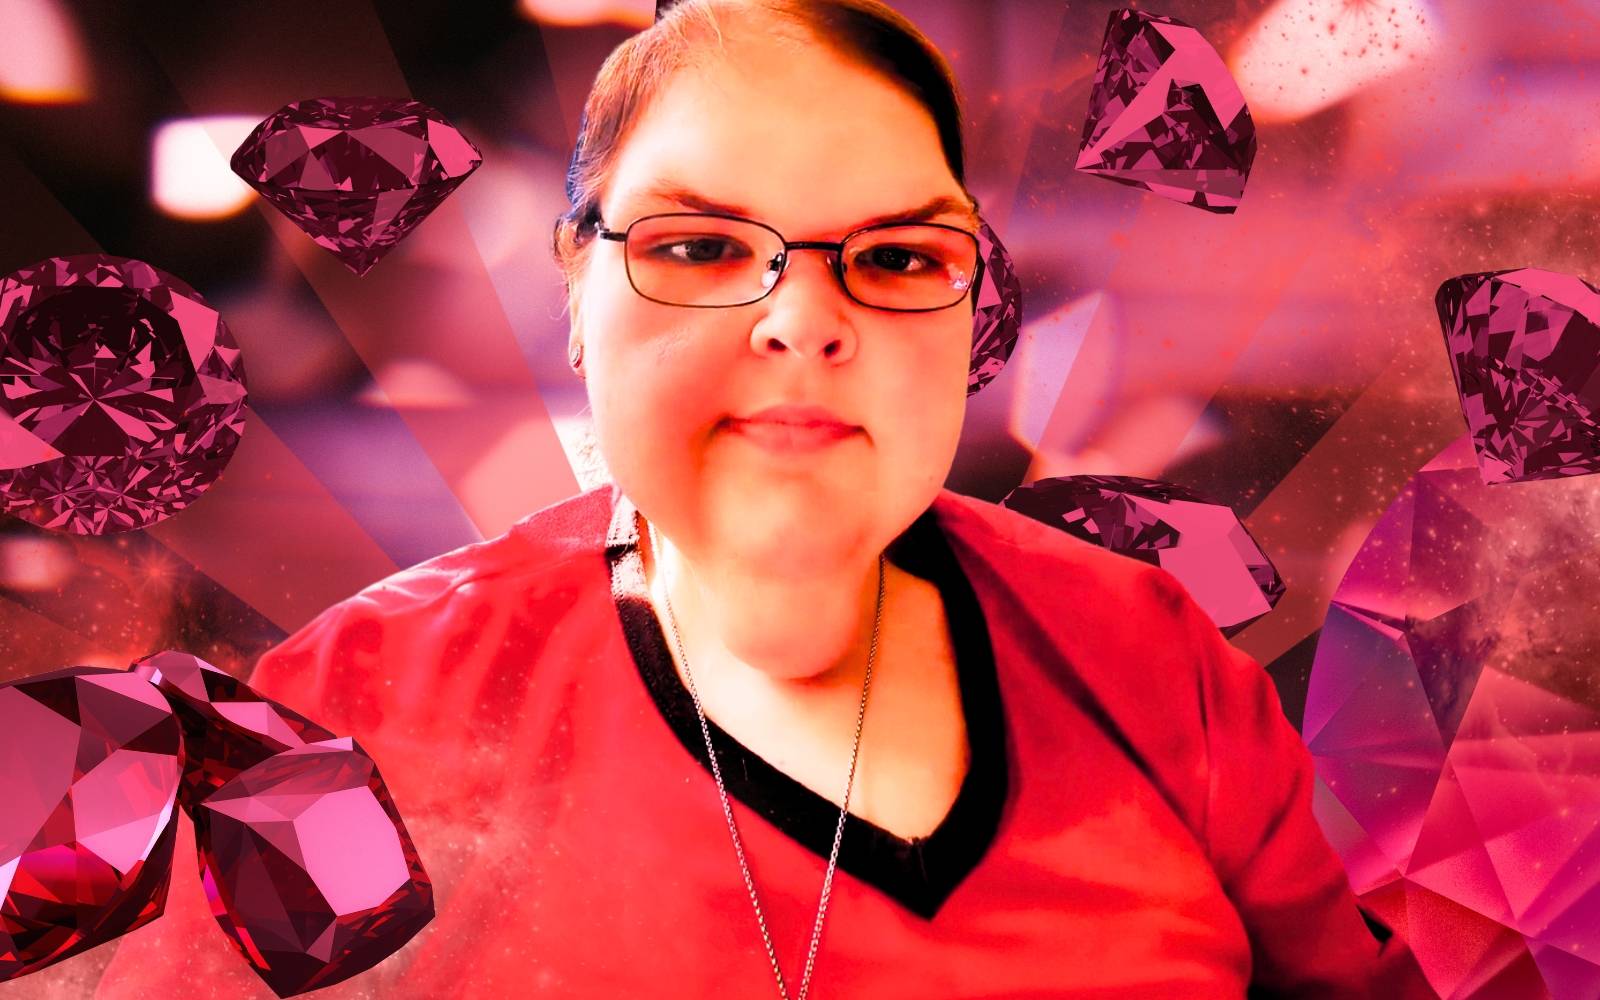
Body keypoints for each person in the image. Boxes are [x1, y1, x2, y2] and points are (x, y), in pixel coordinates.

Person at [93, 1, 1437, 997]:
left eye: (899, 256)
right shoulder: (363, 701)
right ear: (575, 297)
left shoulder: (1153, 665)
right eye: (698, 245)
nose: (803, 319)